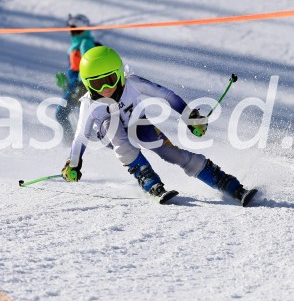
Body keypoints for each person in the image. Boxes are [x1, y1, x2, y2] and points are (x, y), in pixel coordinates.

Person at [60, 46, 257, 206]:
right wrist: (74, 163)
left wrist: (190, 117)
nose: (105, 89)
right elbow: (80, 136)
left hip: (138, 124)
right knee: (112, 125)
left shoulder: (132, 83)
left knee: (168, 151)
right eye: (97, 84)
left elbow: (166, 95)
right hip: (110, 134)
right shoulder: (89, 105)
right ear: (87, 85)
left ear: (119, 73)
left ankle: (226, 183)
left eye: (109, 80)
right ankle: (148, 178)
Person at [55, 14, 99, 141]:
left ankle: (73, 142)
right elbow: (76, 68)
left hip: (82, 86)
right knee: (79, 115)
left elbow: (88, 64)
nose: (72, 33)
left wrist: (81, 85)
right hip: (75, 86)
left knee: (63, 113)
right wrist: (67, 82)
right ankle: (73, 141)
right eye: (71, 30)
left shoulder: (85, 43)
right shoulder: (77, 44)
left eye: (76, 30)